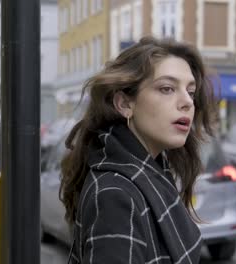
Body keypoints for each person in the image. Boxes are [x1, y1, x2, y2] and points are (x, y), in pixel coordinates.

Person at [59, 37, 216, 264]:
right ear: (124, 104)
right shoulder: (115, 195)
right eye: (167, 88)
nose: (187, 102)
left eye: (190, 92)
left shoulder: (153, 173)